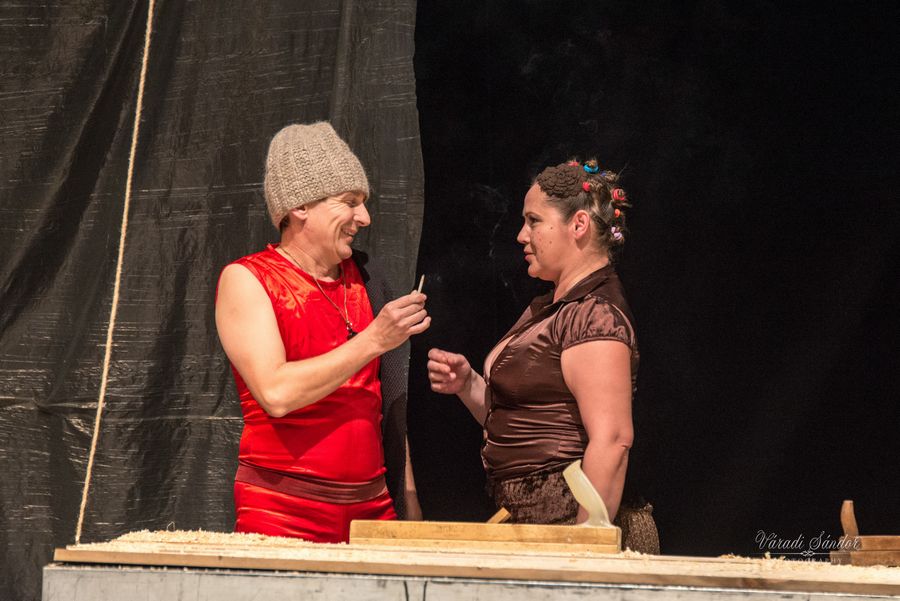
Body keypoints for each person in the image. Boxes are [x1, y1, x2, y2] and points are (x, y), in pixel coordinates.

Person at [427, 159, 658, 553]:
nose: (521, 235)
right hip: (538, 526)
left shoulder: (593, 315)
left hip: (571, 525)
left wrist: (585, 550)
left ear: (579, 225)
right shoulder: (554, 306)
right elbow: (526, 422)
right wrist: (468, 385)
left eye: (533, 221)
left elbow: (613, 439)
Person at [216, 122, 430, 543]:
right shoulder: (248, 279)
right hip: (282, 512)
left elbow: (386, 400)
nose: (364, 218)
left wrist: (408, 500)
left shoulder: (367, 279)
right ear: (300, 206)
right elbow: (276, 393)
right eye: (350, 202)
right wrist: (373, 340)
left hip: (372, 509)